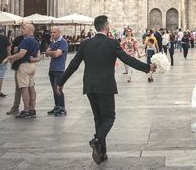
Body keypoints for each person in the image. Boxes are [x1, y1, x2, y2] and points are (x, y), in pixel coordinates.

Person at [57, 15, 154, 165]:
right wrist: (147, 67)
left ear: (96, 27)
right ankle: (97, 141)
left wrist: (61, 82)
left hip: (90, 86)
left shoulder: (85, 43)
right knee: (109, 118)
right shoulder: (112, 43)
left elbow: (73, 65)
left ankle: (102, 153)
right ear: (106, 27)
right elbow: (128, 60)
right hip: (106, 86)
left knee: (98, 118)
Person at [3, 23, 40, 119]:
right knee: (31, 87)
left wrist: (9, 58)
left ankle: (26, 110)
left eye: (23, 28)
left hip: (24, 66)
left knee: (24, 88)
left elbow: (21, 54)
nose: (21, 30)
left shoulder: (26, 41)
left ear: (29, 30)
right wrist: (34, 59)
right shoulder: (35, 41)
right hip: (32, 66)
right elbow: (39, 56)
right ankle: (32, 110)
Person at [45, 26, 68, 116]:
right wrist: (53, 53)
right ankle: (57, 106)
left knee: (58, 89)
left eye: (54, 32)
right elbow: (46, 52)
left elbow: (57, 54)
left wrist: (53, 52)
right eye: (51, 32)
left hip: (59, 69)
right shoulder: (53, 42)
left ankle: (62, 108)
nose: (52, 34)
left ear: (59, 32)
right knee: (54, 90)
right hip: (52, 69)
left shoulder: (63, 42)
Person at [6, 32, 25, 116]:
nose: (22, 30)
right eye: (22, 28)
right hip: (18, 65)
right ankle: (16, 107)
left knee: (27, 88)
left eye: (24, 28)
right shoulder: (19, 39)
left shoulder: (32, 40)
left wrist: (19, 50)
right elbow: (13, 50)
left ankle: (28, 108)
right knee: (18, 87)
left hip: (26, 66)